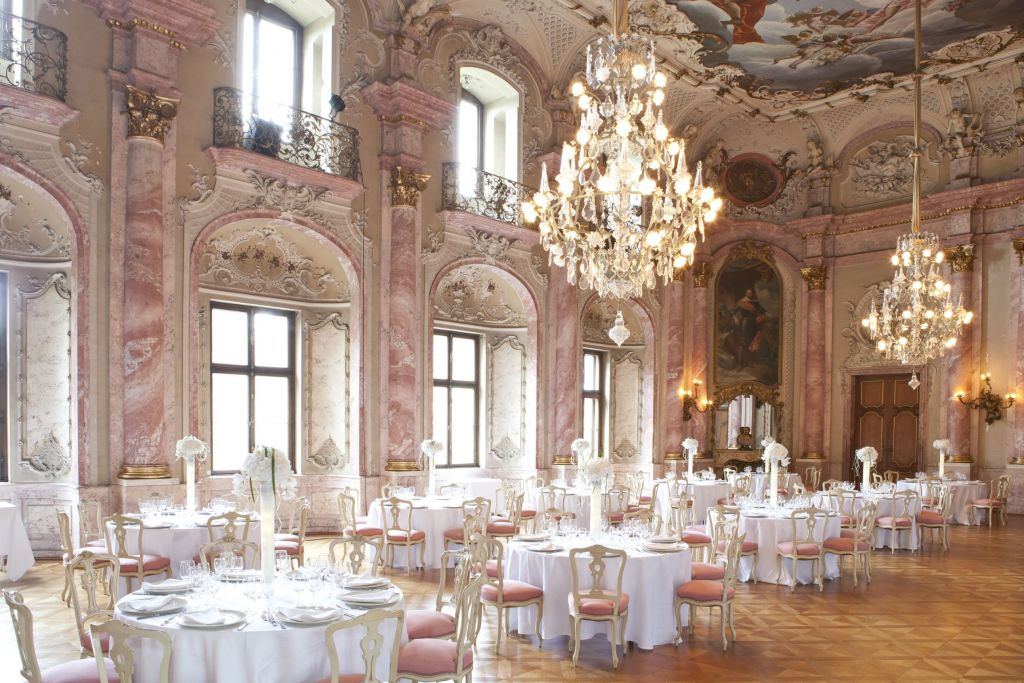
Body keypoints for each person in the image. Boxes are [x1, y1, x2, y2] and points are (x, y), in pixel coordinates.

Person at [731, 288, 768, 370]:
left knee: (752, 342)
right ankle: (741, 364)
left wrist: (763, 316)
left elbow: (763, 311)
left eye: (751, 293)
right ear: (746, 294)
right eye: (749, 293)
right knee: (744, 343)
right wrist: (736, 319)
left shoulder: (755, 303)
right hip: (746, 323)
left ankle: (749, 362)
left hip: (754, 324)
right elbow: (733, 312)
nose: (750, 294)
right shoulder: (742, 303)